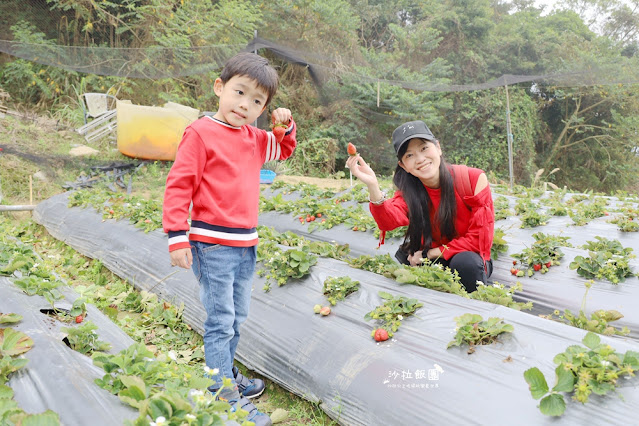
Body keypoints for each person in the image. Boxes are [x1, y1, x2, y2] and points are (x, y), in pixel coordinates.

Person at [163, 52, 297, 426]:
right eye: (239, 92)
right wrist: (177, 236)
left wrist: (284, 126)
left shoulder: (255, 138)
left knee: (237, 316)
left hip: (245, 244)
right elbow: (179, 186)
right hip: (213, 244)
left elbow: (282, 149)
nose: (245, 105)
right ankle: (220, 393)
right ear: (219, 88)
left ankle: (226, 374)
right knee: (221, 320)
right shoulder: (200, 133)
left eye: (257, 101)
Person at [346, 120, 494, 292]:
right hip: (433, 259)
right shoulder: (410, 192)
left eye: (424, 148)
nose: (420, 159)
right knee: (405, 262)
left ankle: (471, 311)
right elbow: (388, 221)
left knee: (465, 264)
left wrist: (430, 253)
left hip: (467, 257)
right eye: (409, 155)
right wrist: (373, 186)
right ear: (403, 165)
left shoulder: (473, 180)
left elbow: (479, 240)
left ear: (438, 147)